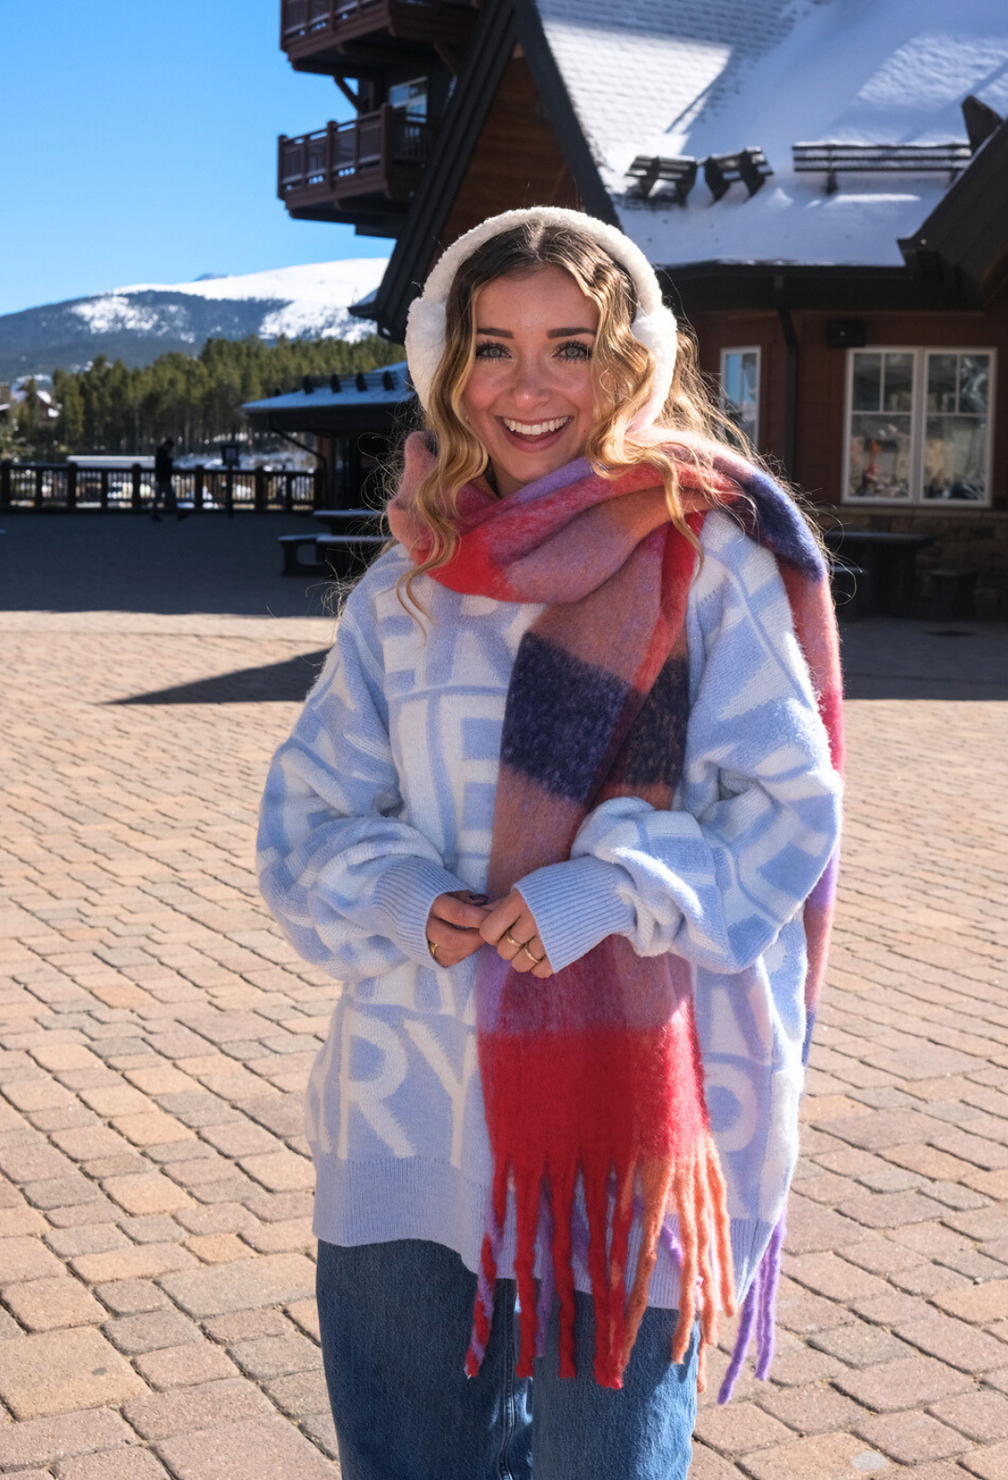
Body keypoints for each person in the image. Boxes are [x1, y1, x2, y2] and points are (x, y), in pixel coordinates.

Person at [257, 209, 844, 1480]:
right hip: (410, 1116)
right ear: (445, 366)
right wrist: (408, 894)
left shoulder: (708, 564)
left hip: (621, 1149)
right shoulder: (407, 587)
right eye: (494, 347)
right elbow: (305, 820)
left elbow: (789, 806)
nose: (529, 388)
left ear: (629, 360)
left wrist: (613, 889)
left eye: (570, 348)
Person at [149, 436, 183, 519]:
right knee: (169, 495)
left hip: (162, 478)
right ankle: (177, 513)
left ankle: (154, 513)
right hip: (164, 478)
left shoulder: (160, 453)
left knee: (160, 495)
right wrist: (170, 462)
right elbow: (163, 466)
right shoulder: (162, 454)